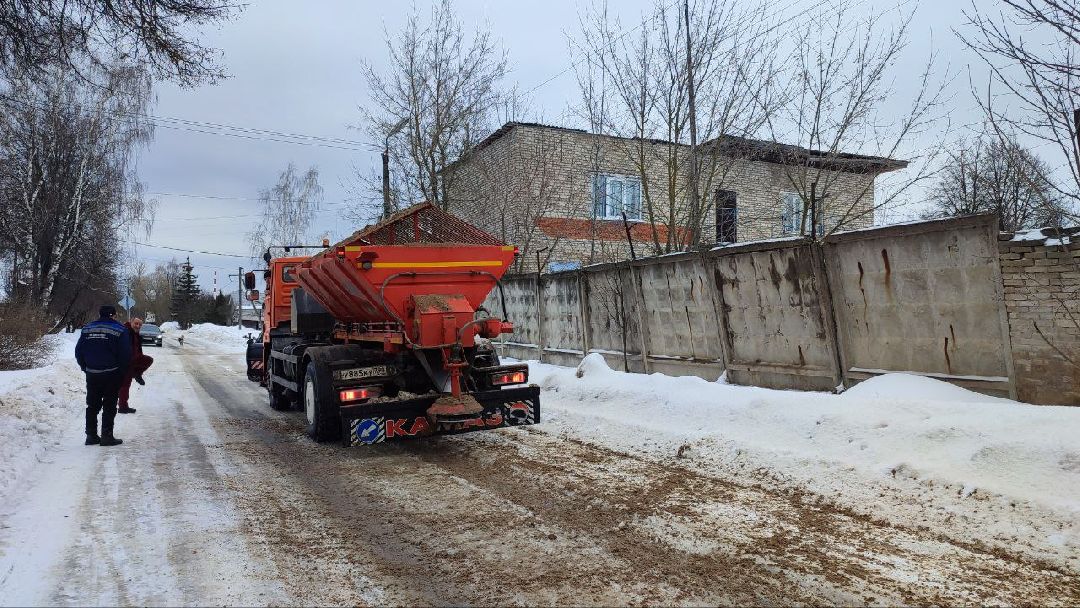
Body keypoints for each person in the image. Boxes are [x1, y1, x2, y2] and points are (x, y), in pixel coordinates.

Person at [74, 305, 131, 446]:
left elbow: (78, 351)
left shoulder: (87, 328)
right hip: (112, 373)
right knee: (110, 403)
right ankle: (107, 436)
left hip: (92, 373)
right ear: (113, 315)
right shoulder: (119, 330)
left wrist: (85, 367)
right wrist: (122, 371)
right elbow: (125, 354)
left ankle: (91, 435)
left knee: (92, 404)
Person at [118, 317, 154, 414]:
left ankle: (137, 374)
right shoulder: (125, 332)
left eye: (140, 325)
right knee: (125, 385)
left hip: (133, 360)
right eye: (136, 323)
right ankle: (122, 407)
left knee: (148, 360)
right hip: (125, 362)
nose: (138, 326)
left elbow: (137, 348)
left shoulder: (135, 333)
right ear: (131, 322)